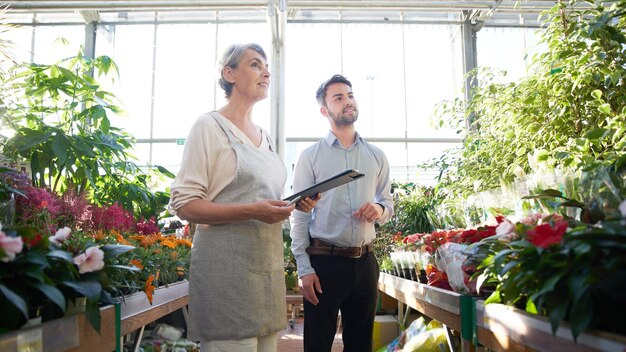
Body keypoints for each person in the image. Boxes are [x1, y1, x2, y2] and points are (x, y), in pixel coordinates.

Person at [168, 43, 316, 352]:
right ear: (229, 73)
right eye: (255, 64)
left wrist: (291, 203)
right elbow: (184, 205)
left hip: (265, 271)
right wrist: (255, 211)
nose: (266, 71)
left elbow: (264, 197)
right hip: (226, 273)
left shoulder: (266, 137)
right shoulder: (209, 127)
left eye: (266, 66)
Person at [290, 74, 394, 352]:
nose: (348, 101)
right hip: (324, 264)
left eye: (350, 95)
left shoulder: (376, 156)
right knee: (317, 344)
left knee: (360, 345)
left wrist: (379, 209)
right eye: (338, 97)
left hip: (366, 262)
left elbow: (388, 203)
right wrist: (304, 268)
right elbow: (300, 215)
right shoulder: (310, 156)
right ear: (324, 111)